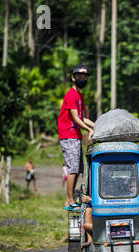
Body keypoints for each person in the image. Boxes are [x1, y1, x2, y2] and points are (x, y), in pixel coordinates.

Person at [58, 64, 95, 211]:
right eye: (79, 77)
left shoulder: (80, 96)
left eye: (85, 77)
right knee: (72, 169)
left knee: (78, 169)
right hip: (68, 135)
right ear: (73, 78)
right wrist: (88, 130)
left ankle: (70, 198)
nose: (82, 79)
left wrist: (97, 127)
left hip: (76, 135)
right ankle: (70, 200)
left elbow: (83, 118)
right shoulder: (71, 95)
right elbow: (75, 118)